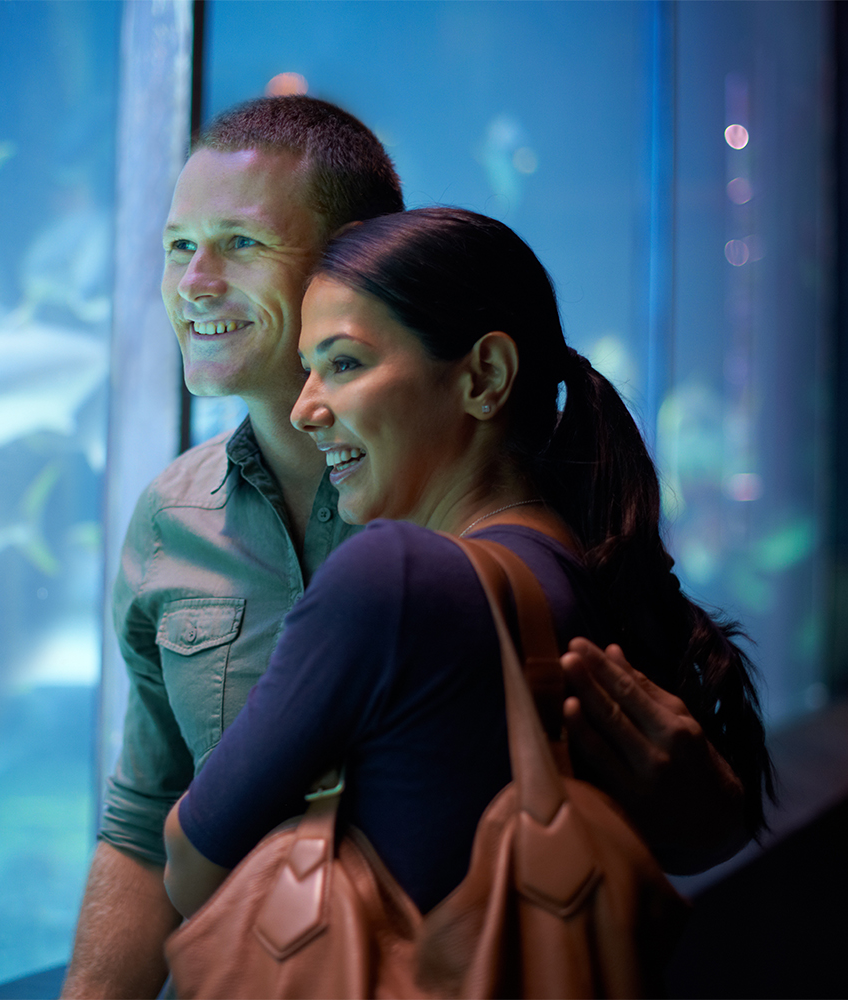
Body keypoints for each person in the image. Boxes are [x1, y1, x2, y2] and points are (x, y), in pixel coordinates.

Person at [61, 98, 765, 999]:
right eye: (175, 244)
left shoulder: (505, 510)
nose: (195, 279)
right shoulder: (174, 516)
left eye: (239, 243)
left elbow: (682, 795)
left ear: (351, 249)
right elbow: (140, 818)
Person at [162, 206, 772, 922]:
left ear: (484, 376)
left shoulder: (392, 581)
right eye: (307, 370)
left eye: (344, 364)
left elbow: (191, 868)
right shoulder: (576, 573)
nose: (304, 409)